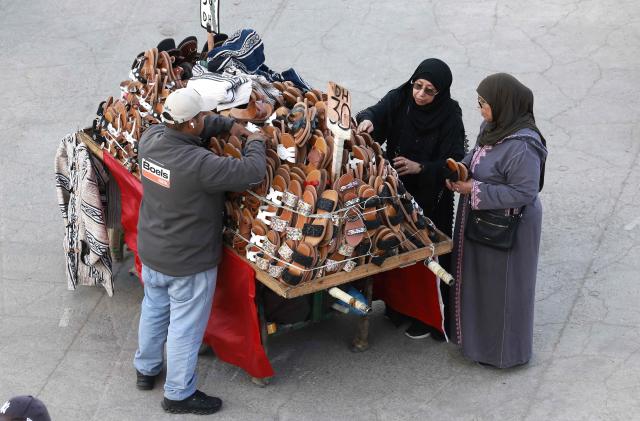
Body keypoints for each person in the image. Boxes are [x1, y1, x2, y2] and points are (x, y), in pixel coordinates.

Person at [134, 86, 267, 414]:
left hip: (153, 249)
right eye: (202, 117)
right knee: (184, 326)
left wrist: (225, 126)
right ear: (191, 123)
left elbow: (191, 128)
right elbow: (251, 173)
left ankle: (146, 369)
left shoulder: (150, 138)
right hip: (187, 261)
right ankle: (178, 394)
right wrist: (256, 142)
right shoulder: (198, 163)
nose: (206, 120)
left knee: (154, 308)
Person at [356, 58, 466, 339]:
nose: (420, 94)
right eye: (418, 86)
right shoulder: (401, 98)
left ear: (440, 93)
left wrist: (421, 167)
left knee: (429, 259)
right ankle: (399, 308)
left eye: (429, 91)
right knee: (396, 252)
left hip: (431, 200)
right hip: (396, 193)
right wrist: (368, 119)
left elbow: (454, 161)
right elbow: (376, 112)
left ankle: (431, 320)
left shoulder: (451, 115)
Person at [446, 73, 548, 368]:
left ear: (505, 105)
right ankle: (477, 345)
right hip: (482, 221)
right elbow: (476, 154)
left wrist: (473, 189)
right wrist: (461, 169)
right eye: (479, 103)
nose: (481, 110)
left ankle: (504, 353)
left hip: (510, 228)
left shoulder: (523, 146)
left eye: (485, 104)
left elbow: (524, 191)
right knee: (481, 286)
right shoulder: (492, 126)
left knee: (504, 290)